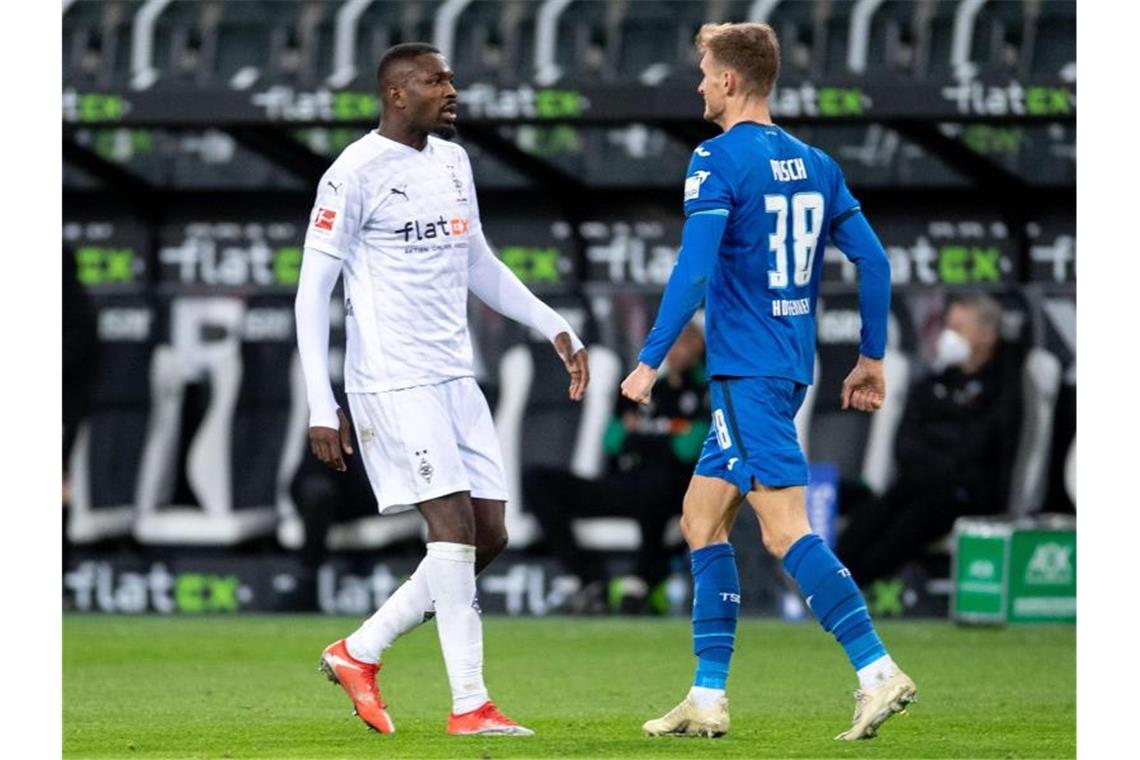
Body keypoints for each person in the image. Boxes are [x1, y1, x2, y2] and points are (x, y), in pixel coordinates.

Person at [620, 22, 916, 741]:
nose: (697, 84)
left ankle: (877, 671)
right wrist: (871, 356)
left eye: (703, 71)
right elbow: (874, 263)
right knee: (701, 517)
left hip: (744, 373)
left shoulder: (716, 159)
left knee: (785, 534)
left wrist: (651, 357)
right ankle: (707, 695)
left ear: (727, 81)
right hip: (787, 368)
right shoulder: (816, 162)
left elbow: (694, 269)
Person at [294, 42, 590, 737]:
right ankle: (470, 705)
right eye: (436, 80)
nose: (452, 90)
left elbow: (476, 260)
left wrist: (553, 326)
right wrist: (320, 401)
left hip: (456, 374)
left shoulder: (453, 162)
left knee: (489, 535)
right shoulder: (352, 174)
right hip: (393, 378)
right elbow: (312, 297)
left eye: (451, 78)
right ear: (397, 94)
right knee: (452, 531)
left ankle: (358, 651)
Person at [524, 322, 710, 614]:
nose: (672, 351)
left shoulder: (705, 391)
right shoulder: (645, 388)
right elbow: (611, 441)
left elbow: (688, 449)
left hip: (671, 493)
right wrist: (663, 436)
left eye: (682, 343)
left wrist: (638, 437)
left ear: (698, 348)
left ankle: (641, 582)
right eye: (668, 344)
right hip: (625, 484)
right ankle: (587, 579)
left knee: (660, 479)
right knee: (537, 480)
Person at [837, 293, 1021, 585]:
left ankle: (856, 586)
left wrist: (935, 454)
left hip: (965, 497)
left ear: (986, 336)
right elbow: (906, 443)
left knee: (909, 525)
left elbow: (977, 451)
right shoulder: (935, 383)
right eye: (948, 327)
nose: (949, 337)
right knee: (871, 516)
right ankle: (833, 581)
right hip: (916, 485)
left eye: (960, 329)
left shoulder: (1004, 387)